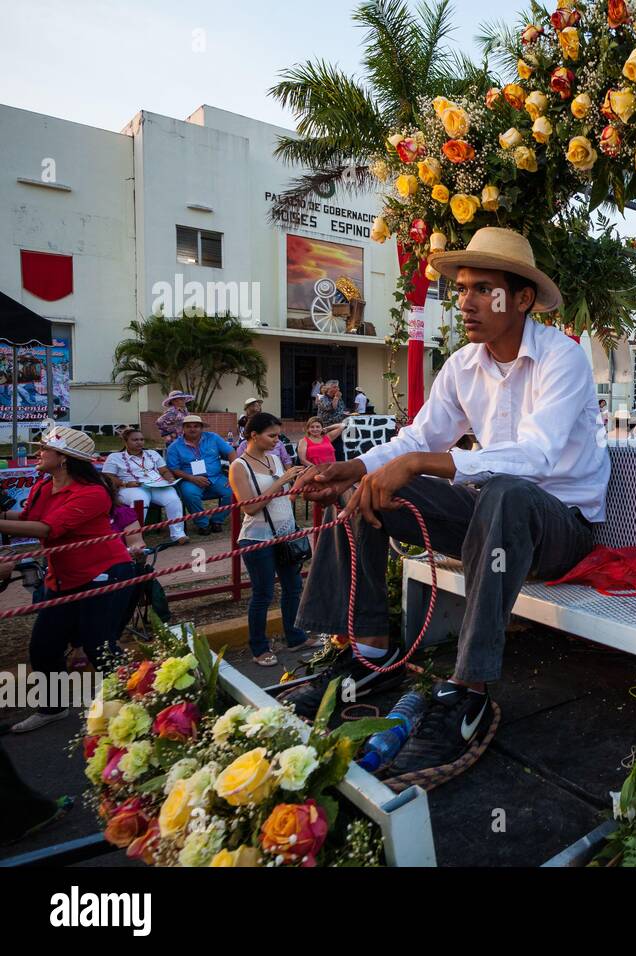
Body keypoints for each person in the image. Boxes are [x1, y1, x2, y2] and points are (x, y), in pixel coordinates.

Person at [287, 227, 606, 772]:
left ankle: (468, 692)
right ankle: (369, 654)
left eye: (484, 289)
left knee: (507, 491)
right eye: (460, 289)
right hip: (492, 522)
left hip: (559, 530)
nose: (466, 302)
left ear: (522, 298)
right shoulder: (462, 365)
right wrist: (356, 466)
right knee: (373, 490)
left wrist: (424, 463)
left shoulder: (563, 358)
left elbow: (537, 457)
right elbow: (418, 438)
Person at [0, 426, 136, 733]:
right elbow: (29, 520)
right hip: (63, 578)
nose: (38, 453)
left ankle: (137, 698)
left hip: (104, 573)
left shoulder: (93, 493)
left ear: (64, 458)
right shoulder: (43, 487)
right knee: (43, 646)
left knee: (97, 644)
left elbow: (48, 529)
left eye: (45, 449)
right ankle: (53, 708)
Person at [230, 413, 309, 666]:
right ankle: (259, 648)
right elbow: (249, 508)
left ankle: (295, 637)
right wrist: (282, 480)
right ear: (254, 435)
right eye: (271, 435)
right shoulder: (239, 466)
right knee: (263, 594)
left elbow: (285, 497)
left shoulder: (275, 459)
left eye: (278, 435)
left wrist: (299, 483)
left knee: (293, 588)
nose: (277, 440)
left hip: (285, 534)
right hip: (257, 538)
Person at [102, 429, 188, 544]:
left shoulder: (152, 454)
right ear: (125, 441)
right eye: (135, 440)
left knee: (173, 498)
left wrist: (169, 478)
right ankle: (136, 538)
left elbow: (164, 470)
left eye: (141, 439)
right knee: (140, 499)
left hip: (156, 485)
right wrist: (125, 483)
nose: (139, 442)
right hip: (131, 487)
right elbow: (108, 477)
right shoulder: (115, 457)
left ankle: (178, 535)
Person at [165, 414, 235, 536]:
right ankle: (203, 524)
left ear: (202, 428)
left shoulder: (213, 438)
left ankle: (217, 520)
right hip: (189, 479)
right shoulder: (174, 447)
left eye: (196, 426)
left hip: (215, 476)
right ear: (183, 428)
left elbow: (231, 452)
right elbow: (174, 469)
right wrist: (192, 478)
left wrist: (234, 474)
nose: (193, 429)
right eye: (188, 426)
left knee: (234, 491)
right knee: (189, 494)